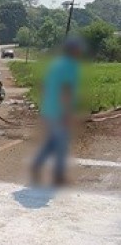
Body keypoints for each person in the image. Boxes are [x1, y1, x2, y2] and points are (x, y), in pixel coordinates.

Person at [31, 37, 83, 186]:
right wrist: (66, 113)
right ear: (73, 51)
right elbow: (66, 90)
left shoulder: (56, 64)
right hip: (59, 112)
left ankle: (37, 165)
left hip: (49, 110)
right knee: (61, 144)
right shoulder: (70, 66)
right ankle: (58, 176)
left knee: (53, 142)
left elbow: (44, 86)